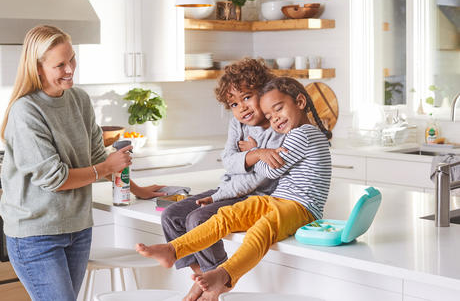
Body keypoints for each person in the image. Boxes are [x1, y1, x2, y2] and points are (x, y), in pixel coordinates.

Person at [0, 25, 163, 301]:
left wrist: (138, 190)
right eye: (60, 64)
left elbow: (99, 156)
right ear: (38, 68)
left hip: (77, 229)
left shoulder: (80, 100)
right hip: (36, 235)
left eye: (72, 59)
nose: (70, 69)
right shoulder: (26, 110)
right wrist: (106, 168)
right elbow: (56, 179)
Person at [136, 77, 332, 301]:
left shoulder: (303, 134)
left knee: (261, 230)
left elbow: (271, 171)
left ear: (300, 102)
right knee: (227, 215)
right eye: (269, 115)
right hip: (279, 200)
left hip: (302, 207)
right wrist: (258, 154)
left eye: (278, 109)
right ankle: (173, 250)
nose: (275, 119)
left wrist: (255, 151)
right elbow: (252, 162)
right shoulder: (294, 133)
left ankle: (224, 275)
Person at [160, 58, 286, 300]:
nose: (242, 108)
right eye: (234, 103)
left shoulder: (277, 126)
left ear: (265, 90)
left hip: (257, 197)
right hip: (230, 189)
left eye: (247, 97)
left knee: (198, 218)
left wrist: (248, 157)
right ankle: (206, 278)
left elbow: (257, 180)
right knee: (172, 216)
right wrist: (255, 153)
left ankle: (219, 281)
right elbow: (227, 160)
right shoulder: (237, 123)